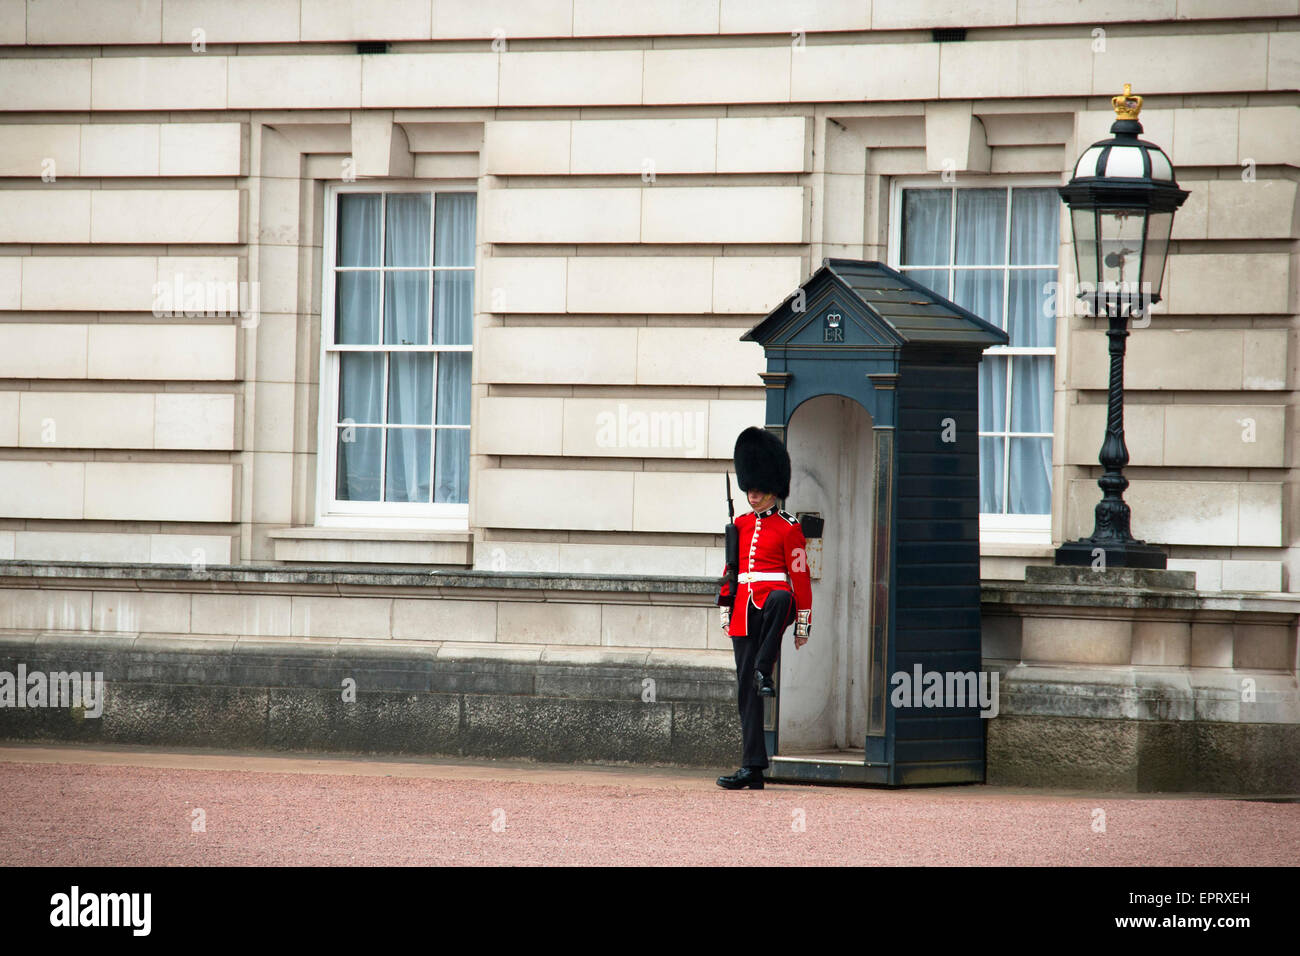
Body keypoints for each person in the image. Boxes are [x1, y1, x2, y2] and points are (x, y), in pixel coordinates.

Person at [715, 427, 812, 791]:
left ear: (773, 487)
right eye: (749, 489)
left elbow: (799, 577)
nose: (752, 495)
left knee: (781, 597)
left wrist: (802, 624)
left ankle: (764, 666)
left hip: (774, 605)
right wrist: (725, 605)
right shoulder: (739, 525)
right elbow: (731, 571)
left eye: (757, 489)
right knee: (746, 691)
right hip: (743, 608)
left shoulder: (789, 529)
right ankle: (752, 766)